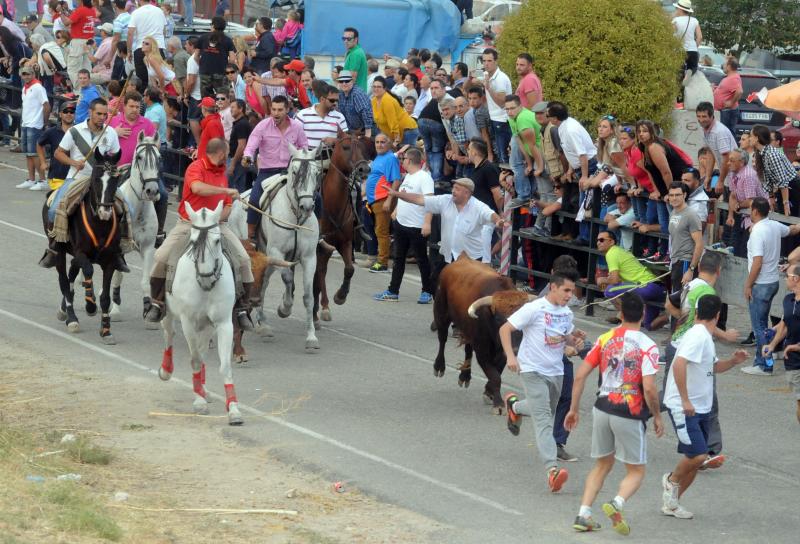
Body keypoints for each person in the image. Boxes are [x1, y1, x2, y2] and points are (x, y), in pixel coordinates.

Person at [566, 292, 663, 534]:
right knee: (636, 470)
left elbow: (580, 376)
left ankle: (583, 513)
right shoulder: (648, 346)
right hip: (629, 410)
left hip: (602, 406)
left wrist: (574, 409)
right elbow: (649, 388)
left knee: (602, 464)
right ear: (642, 314)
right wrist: (658, 416)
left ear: (620, 314)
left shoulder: (605, 338)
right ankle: (616, 502)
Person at [144, 138, 255, 330]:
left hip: (216, 225)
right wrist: (226, 189)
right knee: (161, 257)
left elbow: (227, 206)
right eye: (226, 154)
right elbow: (197, 188)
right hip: (189, 223)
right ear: (220, 153)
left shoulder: (222, 173)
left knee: (244, 260)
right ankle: (158, 302)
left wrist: (218, 218)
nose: (227, 158)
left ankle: (242, 309)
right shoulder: (195, 167)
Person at [661, 294, 748, 519]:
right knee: (699, 456)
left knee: (695, 462)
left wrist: (733, 362)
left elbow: (713, 367)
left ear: (697, 312)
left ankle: (672, 503)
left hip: (701, 407)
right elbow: (679, 365)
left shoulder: (704, 337)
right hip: (685, 407)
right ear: (718, 315)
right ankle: (670, 480)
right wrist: (685, 400)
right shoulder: (698, 336)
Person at [501, 271, 586, 493]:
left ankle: (515, 407)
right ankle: (552, 470)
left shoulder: (566, 313)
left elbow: (564, 339)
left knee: (545, 411)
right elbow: (505, 329)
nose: (570, 295)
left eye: (572, 291)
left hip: (556, 371)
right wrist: (511, 356)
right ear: (553, 287)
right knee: (544, 422)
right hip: (531, 370)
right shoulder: (534, 308)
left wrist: (574, 342)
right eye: (566, 290)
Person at [663, 250, 738, 466]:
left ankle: (638, 410)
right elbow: (704, 322)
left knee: (673, 390)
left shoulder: (691, 284)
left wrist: (681, 320)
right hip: (693, 347)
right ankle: (708, 450)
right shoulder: (707, 292)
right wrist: (726, 335)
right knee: (705, 397)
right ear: (719, 271)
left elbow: (669, 303)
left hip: (677, 342)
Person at [39, 98, 123, 269]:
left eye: (105, 114)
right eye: (98, 114)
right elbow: (58, 153)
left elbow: (114, 158)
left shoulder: (111, 133)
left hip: (101, 180)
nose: (102, 117)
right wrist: (73, 162)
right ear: (90, 112)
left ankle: (119, 250)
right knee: (55, 207)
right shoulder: (75, 131)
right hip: (77, 178)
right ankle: (54, 247)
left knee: (126, 207)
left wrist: (112, 169)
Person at [389, 177, 504, 272]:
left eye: (457, 189)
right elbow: (420, 199)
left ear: (467, 193)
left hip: (471, 260)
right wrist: (397, 194)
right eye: (453, 188)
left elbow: (491, 215)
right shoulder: (445, 200)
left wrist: (498, 221)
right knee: (435, 283)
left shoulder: (479, 206)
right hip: (448, 256)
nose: (453, 191)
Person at [742, 197, 800, 376]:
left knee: (758, 325)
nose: (748, 212)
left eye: (750, 209)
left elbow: (757, 262)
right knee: (763, 324)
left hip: (761, 283)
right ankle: (767, 355)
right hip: (773, 281)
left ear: (755, 211)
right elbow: (791, 230)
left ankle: (763, 364)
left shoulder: (758, 231)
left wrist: (748, 285)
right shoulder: (773, 225)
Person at [242, 95, 308, 239]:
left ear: (287, 110)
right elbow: (251, 146)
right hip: (267, 172)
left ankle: (318, 236)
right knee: (254, 200)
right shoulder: (263, 125)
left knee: (315, 198)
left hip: (291, 172)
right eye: (273, 109)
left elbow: (304, 147)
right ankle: (251, 235)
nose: (276, 113)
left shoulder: (297, 127)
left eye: (280, 110)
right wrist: (247, 157)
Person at [373, 147, 434, 303]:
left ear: (409, 160)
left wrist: (427, 222)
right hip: (401, 223)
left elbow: (430, 202)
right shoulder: (408, 176)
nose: (402, 162)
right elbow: (403, 194)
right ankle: (393, 291)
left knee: (421, 259)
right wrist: (397, 210)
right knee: (398, 258)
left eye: (403, 159)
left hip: (417, 225)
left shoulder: (424, 177)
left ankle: (427, 291)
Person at [547, 101, 598, 244]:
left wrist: (584, 176)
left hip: (589, 166)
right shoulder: (563, 127)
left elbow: (582, 155)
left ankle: (584, 237)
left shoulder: (570, 130)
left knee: (584, 203)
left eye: (548, 115)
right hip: (577, 167)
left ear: (554, 118)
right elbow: (571, 152)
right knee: (571, 201)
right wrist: (569, 170)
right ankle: (569, 233)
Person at [596, 231, 666, 330]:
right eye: (597, 240)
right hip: (659, 288)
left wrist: (602, 279)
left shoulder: (611, 253)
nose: (598, 242)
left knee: (609, 290)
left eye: (602, 240)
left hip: (646, 286)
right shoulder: (620, 251)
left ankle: (629, 320)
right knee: (649, 325)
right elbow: (620, 280)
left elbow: (615, 281)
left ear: (611, 242)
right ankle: (670, 317)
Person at [762, 263, 800, 423]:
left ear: (796, 279)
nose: (785, 279)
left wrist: (796, 346)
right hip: (794, 361)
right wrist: (772, 344)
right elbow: (785, 324)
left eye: (787, 276)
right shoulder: (788, 300)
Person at [362, 134, 401, 274]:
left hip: (383, 199)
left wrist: (390, 200)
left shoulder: (390, 158)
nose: (379, 145)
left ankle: (382, 263)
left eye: (383, 142)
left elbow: (396, 180)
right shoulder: (379, 157)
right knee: (379, 230)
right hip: (374, 200)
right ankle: (380, 258)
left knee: (382, 231)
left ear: (389, 144)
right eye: (377, 142)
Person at [726, 148, 768, 257]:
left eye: (732, 160)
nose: (728, 163)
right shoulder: (732, 173)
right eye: (728, 160)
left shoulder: (748, 175)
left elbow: (751, 201)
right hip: (741, 214)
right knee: (733, 247)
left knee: (746, 250)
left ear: (742, 162)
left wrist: (738, 205)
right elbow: (733, 195)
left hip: (756, 216)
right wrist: (730, 215)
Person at [467, 139, 503, 263]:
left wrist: (500, 212)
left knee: (484, 250)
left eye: (469, 149)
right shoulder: (477, 169)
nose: (467, 152)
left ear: (475, 152)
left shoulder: (489, 168)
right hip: (476, 216)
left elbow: (497, 194)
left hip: (487, 216)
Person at [752, 124, 800, 216]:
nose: (749, 138)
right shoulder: (762, 153)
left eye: (751, 136)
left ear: (757, 138)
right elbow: (767, 177)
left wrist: (785, 203)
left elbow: (783, 180)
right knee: (782, 218)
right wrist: (771, 196)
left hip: (793, 186)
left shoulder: (772, 154)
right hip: (783, 188)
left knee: (790, 218)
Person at [505, 94, 544, 208]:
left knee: (540, 180)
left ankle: (524, 196)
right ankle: (526, 196)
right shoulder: (512, 118)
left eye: (512, 108)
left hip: (540, 153)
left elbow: (532, 145)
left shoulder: (523, 118)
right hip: (532, 151)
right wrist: (529, 164)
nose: (509, 112)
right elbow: (520, 141)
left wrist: (535, 165)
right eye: (506, 109)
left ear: (520, 106)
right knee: (517, 164)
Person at [18, 65, 50, 191]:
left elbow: (46, 106)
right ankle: (31, 179)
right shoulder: (25, 88)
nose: (26, 76)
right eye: (24, 74)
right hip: (26, 123)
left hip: (35, 124)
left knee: (36, 153)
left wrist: (44, 123)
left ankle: (42, 180)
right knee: (28, 153)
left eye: (28, 74)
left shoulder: (37, 87)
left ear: (33, 74)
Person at [667, 182, 704, 290]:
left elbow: (699, 243)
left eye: (677, 195)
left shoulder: (691, 215)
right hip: (675, 261)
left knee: (682, 301)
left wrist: (691, 269)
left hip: (685, 262)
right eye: (671, 195)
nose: (674, 198)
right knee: (676, 299)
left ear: (684, 195)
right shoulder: (673, 212)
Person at [696, 101, 736, 194]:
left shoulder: (719, 132)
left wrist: (720, 181)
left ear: (711, 116)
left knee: (732, 205)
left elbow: (727, 158)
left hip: (734, 175)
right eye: (699, 116)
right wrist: (708, 176)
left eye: (704, 116)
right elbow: (710, 152)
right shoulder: (704, 129)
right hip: (726, 176)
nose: (701, 120)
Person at [480, 48, 512, 163]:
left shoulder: (501, 78)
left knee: (504, 155)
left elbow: (501, 102)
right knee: (498, 153)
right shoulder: (487, 75)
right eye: (484, 61)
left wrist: (488, 87)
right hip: (494, 118)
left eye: (489, 61)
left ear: (496, 61)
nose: (486, 64)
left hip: (502, 120)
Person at [127, 0, 167, 92]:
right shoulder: (159, 11)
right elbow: (164, 31)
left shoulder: (136, 12)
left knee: (142, 80)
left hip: (141, 47)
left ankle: (142, 103)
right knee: (158, 77)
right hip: (157, 47)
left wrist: (129, 51)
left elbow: (130, 33)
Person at [295, 81, 347, 150]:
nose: (335, 103)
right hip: (307, 158)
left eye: (337, 100)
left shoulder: (340, 117)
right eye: (332, 100)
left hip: (330, 158)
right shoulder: (302, 115)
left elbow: (346, 140)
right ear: (322, 99)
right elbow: (294, 137)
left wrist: (334, 141)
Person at [36, 101, 74, 192]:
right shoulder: (51, 132)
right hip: (57, 176)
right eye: (66, 111)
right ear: (60, 114)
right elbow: (39, 144)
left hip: (75, 176)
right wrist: (43, 162)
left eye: (72, 112)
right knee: (58, 204)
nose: (69, 114)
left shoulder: (79, 131)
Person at [371, 76, 416, 147]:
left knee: (406, 156)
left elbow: (393, 121)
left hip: (407, 131)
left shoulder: (387, 100)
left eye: (379, 87)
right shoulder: (374, 100)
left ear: (384, 88)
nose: (376, 89)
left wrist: (396, 140)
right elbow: (379, 122)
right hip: (395, 133)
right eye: (374, 87)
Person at [197, 17, 235, 96]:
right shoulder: (228, 40)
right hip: (221, 73)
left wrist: (202, 65)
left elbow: (196, 56)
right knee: (222, 98)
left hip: (205, 73)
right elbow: (232, 59)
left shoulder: (203, 38)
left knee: (206, 100)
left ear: (213, 25)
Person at [60, 0, 94, 85]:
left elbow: (66, 23)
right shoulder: (92, 10)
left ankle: (79, 90)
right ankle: (87, 88)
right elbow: (75, 19)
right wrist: (65, 11)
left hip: (78, 41)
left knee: (73, 68)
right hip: (89, 40)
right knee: (87, 68)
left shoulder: (80, 10)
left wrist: (60, 12)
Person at [338, 69, 374, 137]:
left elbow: (366, 112)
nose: (344, 83)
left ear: (352, 81)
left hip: (367, 130)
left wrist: (367, 134)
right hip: (353, 131)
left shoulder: (357, 94)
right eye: (341, 81)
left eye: (347, 81)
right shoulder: (340, 94)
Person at [672, 0, 702, 82]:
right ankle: (690, 73)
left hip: (679, 50)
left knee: (678, 71)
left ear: (680, 9)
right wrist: (694, 47)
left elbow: (670, 35)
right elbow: (700, 37)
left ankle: (679, 88)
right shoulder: (694, 20)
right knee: (693, 67)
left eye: (676, 8)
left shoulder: (675, 21)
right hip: (692, 50)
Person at [713, 58, 743, 135]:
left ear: (729, 67)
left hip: (728, 111)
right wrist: (715, 89)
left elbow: (739, 91)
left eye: (725, 65)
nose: (723, 66)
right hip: (725, 111)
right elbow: (726, 90)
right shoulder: (729, 77)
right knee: (724, 133)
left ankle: (730, 147)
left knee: (727, 134)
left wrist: (731, 102)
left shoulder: (734, 78)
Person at [227, 99, 251, 192]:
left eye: (233, 107)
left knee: (234, 187)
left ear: (240, 109)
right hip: (241, 160)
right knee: (239, 185)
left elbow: (242, 146)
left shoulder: (241, 124)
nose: (231, 109)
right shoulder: (241, 122)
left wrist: (232, 164)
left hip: (238, 160)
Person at [196, 96, 224, 162]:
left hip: (208, 165)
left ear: (204, 109)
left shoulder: (212, 123)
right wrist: (199, 150)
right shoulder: (212, 122)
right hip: (204, 162)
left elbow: (218, 145)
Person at [342, 26, 368, 91]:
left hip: (354, 95)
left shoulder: (355, 54)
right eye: (344, 38)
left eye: (349, 39)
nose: (345, 41)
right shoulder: (356, 51)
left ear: (356, 39)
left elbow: (352, 78)